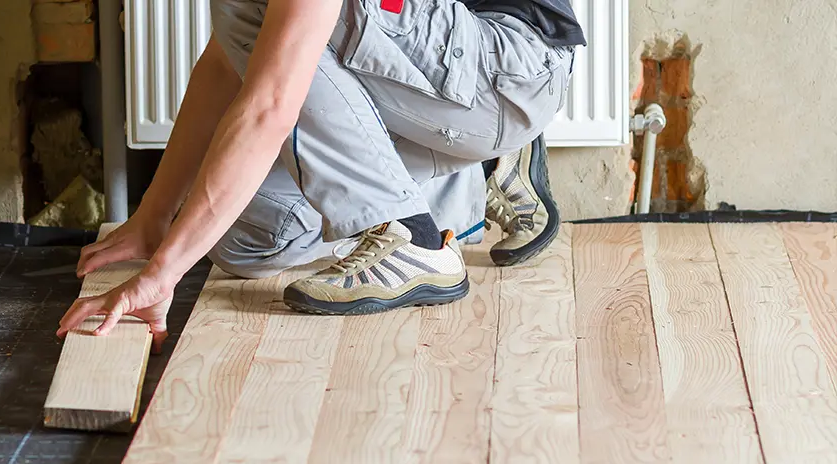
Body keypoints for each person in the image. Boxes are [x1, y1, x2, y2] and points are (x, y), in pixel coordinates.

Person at [58, 0, 586, 347]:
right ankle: (467, 171)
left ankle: (415, 238)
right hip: (443, 89)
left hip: (510, 67)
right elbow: (227, 61)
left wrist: (163, 274)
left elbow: (271, 102)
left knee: (253, 8)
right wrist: (157, 221)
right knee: (250, 238)